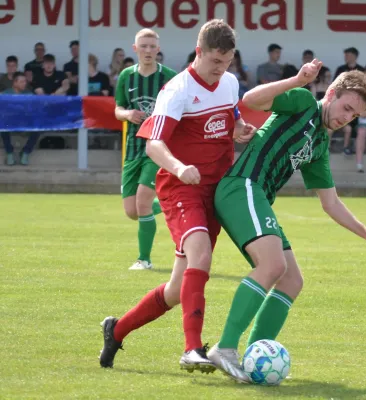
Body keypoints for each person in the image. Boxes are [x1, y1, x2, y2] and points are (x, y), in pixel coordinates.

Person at [206, 62, 366, 382]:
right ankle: (224, 349)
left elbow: (330, 203)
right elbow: (250, 99)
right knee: (273, 265)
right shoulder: (304, 102)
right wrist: (296, 81)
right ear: (331, 93)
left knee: (292, 280)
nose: (346, 117)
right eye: (346, 107)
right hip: (242, 185)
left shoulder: (320, 144)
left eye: (354, 115)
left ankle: (253, 359)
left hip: (257, 196)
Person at [99, 19, 256, 372]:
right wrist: (180, 166)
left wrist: (240, 127)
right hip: (180, 186)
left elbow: (230, 116)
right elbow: (154, 144)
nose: (222, 69)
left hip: (216, 191)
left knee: (175, 289)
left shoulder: (229, 82)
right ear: (199, 52)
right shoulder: (177, 90)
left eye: (228, 62)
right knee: (200, 250)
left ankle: (117, 330)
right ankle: (191, 349)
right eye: (216, 61)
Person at [113, 29, 177, 270]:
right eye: (144, 46)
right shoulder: (126, 77)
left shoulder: (170, 77)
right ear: (135, 48)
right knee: (132, 211)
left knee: (142, 203)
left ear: (158, 49)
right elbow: (117, 109)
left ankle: (144, 260)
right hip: (132, 150)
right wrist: (128, 114)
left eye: (152, 46)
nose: (148, 50)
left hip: (157, 147)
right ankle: (171, 204)